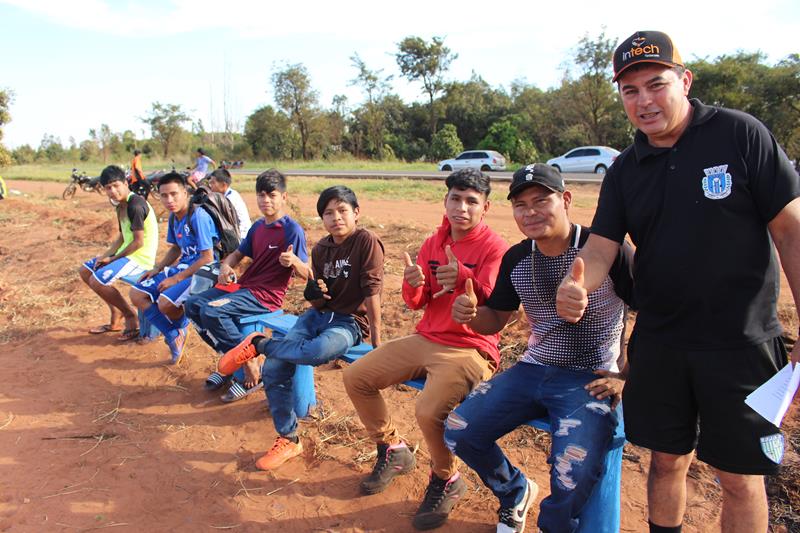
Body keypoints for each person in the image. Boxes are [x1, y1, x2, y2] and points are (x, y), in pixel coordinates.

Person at [555, 31, 800, 533]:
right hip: (662, 341)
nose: (644, 101)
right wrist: (579, 284)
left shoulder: (739, 135)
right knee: (666, 461)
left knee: (739, 476)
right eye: (630, 91)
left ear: (684, 81)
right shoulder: (625, 169)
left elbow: (791, 232)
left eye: (656, 84)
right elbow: (600, 247)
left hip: (740, 343)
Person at [444, 164, 633, 533]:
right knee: (459, 430)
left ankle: (554, 526)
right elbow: (496, 317)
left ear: (565, 200)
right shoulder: (517, 258)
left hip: (590, 376)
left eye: (540, 200)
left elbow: (647, 311)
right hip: (533, 368)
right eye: (520, 204)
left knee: (572, 470)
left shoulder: (604, 249)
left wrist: (626, 374)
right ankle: (515, 491)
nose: (530, 212)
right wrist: (470, 315)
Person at [343, 168, 508, 530]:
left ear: (485, 208)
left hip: (470, 347)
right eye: (455, 199)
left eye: (471, 201)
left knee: (428, 410)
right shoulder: (434, 242)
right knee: (356, 376)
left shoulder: (496, 248)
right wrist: (413, 284)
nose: (461, 208)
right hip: (426, 337)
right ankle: (393, 448)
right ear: (445, 201)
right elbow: (419, 302)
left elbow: (497, 303)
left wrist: (465, 276)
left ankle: (447, 478)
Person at [218, 185, 384, 470]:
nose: (336, 218)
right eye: (328, 213)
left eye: (342, 211)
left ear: (356, 213)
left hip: (350, 323)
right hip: (317, 317)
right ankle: (289, 439)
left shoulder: (366, 241)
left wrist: (378, 343)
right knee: (273, 369)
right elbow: (317, 300)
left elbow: (373, 291)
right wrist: (316, 290)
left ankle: (259, 344)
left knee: (317, 351)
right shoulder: (321, 249)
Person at [184, 169, 309, 402]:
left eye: (272, 195)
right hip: (244, 288)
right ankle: (233, 361)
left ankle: (250, 364)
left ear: (284, 197)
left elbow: (307, 273)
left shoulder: (292, 230)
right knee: (192, 304)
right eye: (261, 195)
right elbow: (237, 254)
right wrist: (226, 266)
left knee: (212, 311)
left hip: (265, 296)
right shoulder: (258, 227)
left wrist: (294, 262)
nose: (266, 200)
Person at [129, 171, 219, 364]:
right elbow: (176, 248)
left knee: (164, 303)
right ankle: (174, 332)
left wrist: (176, 279)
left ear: (185, 193)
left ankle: (179, 327)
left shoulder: (198, 216)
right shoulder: (173, 217)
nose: (169, 200)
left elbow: (207, 258)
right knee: (137, 294)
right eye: (164, 195)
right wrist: (158, 268)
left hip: (204, 270)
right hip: (184, 267)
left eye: (174, 194)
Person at [79, 165, 159, 340]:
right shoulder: (120, 206)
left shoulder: (135, 204)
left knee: (98, 280)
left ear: (125, 183)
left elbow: (138, 242)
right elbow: (122, 238)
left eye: (116, 185)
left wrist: (113, 258)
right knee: (85, 271)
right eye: (108, 188)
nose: (113, 191)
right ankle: (116, 312)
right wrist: (105, 256)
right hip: (127, 254)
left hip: (140, 258)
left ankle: (130, 315)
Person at [207, 168, 252, 238]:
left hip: (241, 235)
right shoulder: (226, 195)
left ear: (223, 185)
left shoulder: (230, 198)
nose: (210, 185)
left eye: (213, 182)